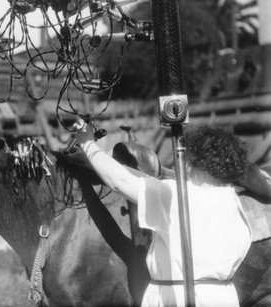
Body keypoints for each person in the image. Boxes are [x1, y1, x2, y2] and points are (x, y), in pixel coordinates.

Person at [69, 123, 252, 307]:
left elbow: (120, 182)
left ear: (194, 163)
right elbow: (141, 181)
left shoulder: (176, 195)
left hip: (177, 298)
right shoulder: (232, 199)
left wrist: (87, 143)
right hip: (224, 297)